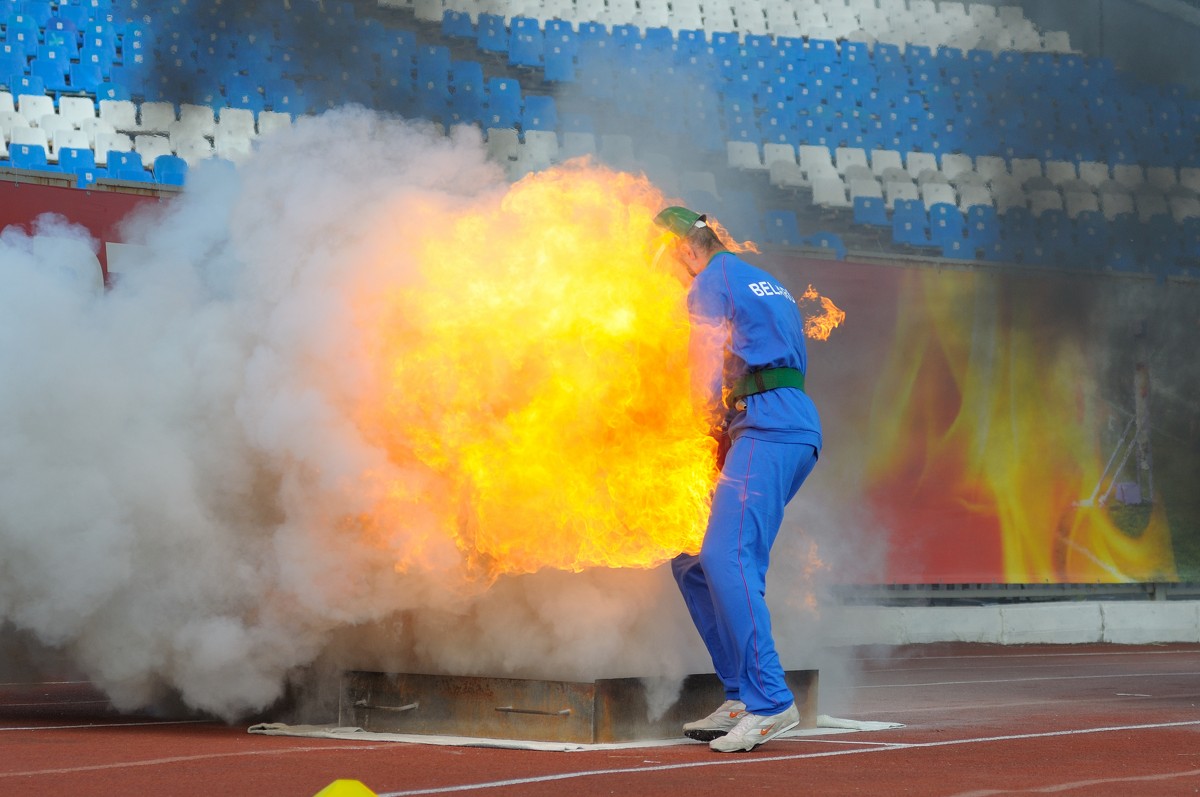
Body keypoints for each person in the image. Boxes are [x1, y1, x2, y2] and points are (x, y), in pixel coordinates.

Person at [654, 206, 822, 753]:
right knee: (693, 560)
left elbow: (704, 375)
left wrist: (691, 434)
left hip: (768, 428)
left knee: (728, 557)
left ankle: (770, 701)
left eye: (666, 262)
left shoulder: (709, 283)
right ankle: (741, 694)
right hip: (778, 423)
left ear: (683, 248)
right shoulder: (761, 278)